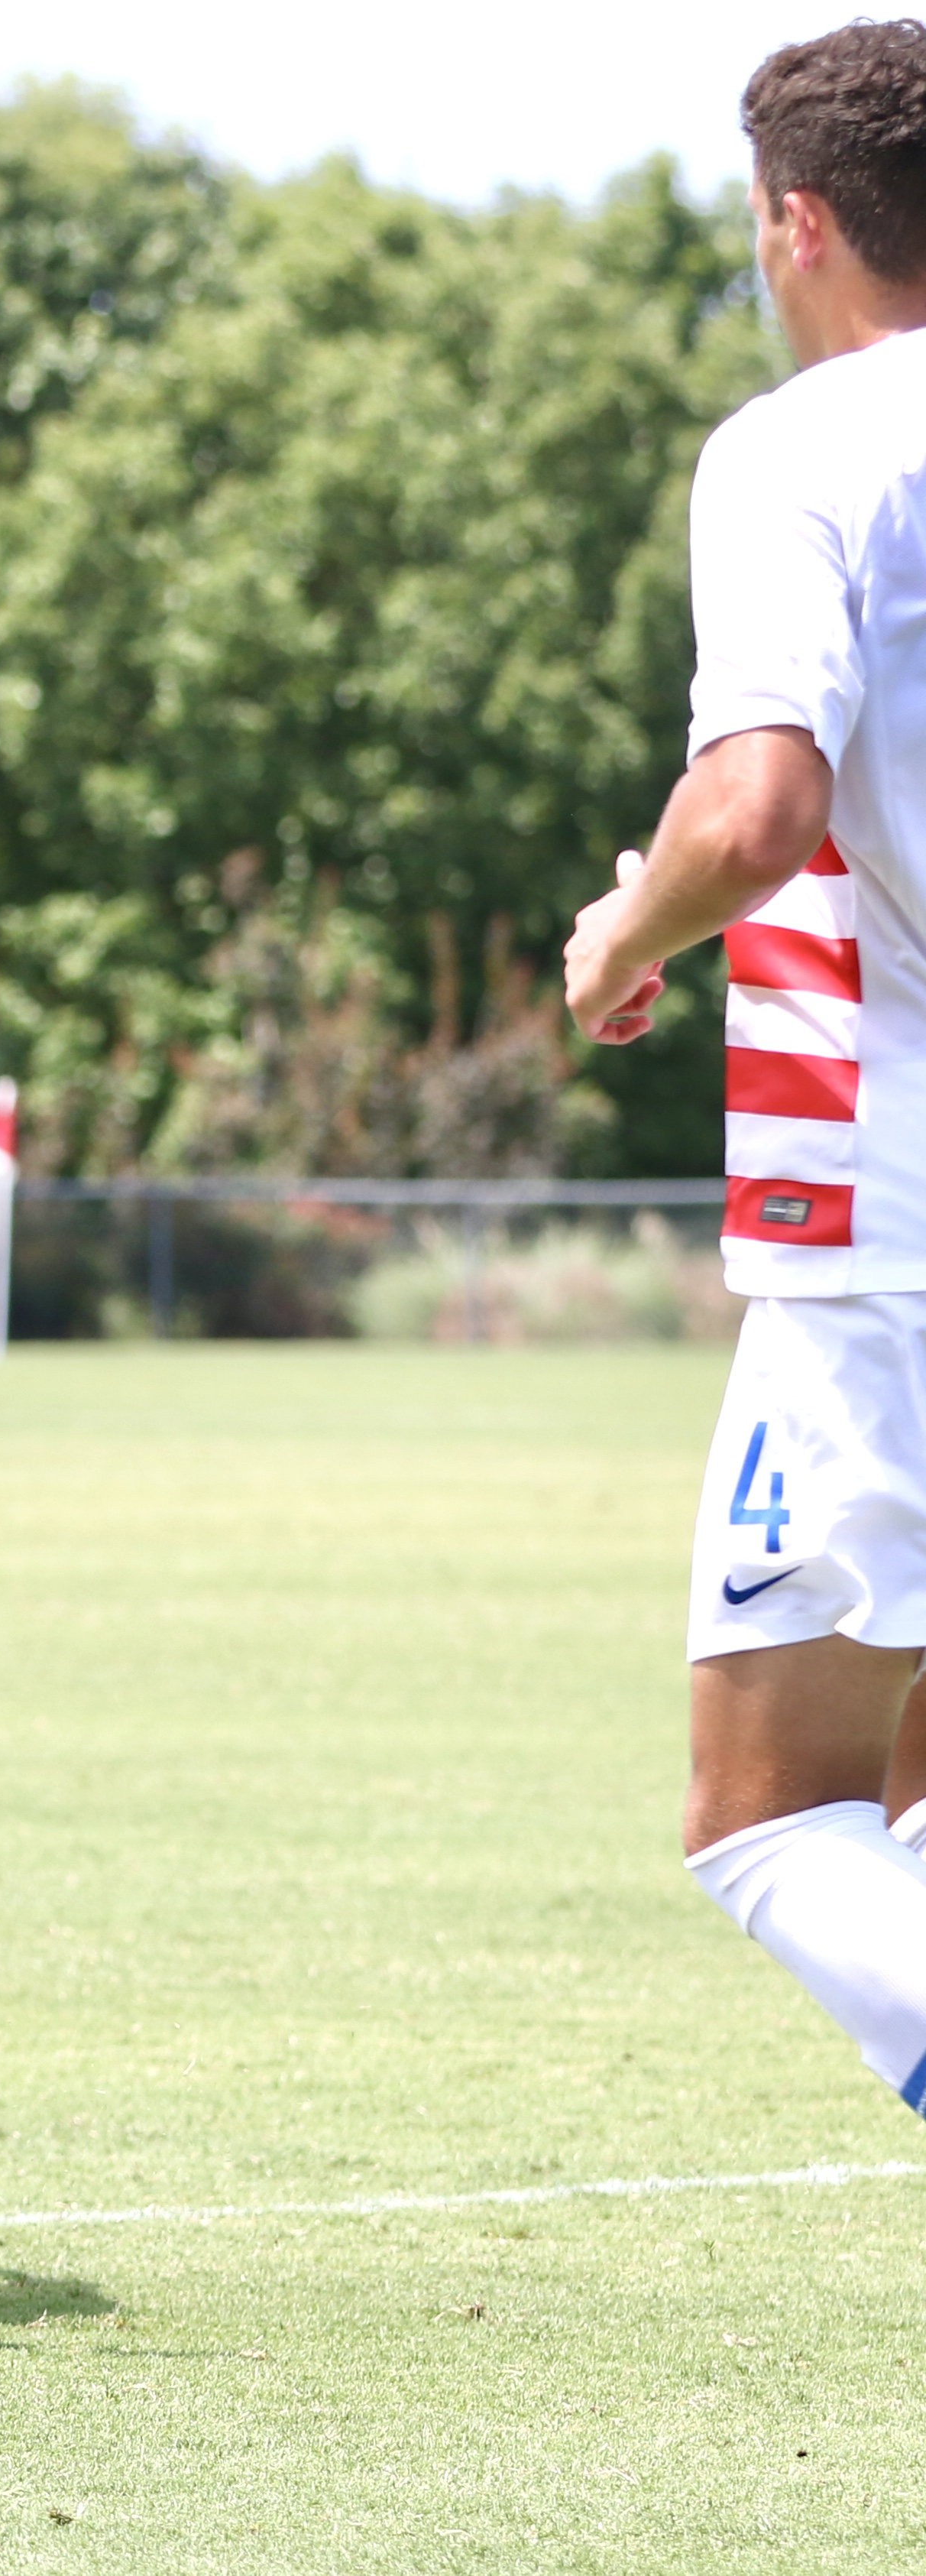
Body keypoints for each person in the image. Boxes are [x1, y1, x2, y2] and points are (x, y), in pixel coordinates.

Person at [562, 21, 926, 2121]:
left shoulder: (804, 444)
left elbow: (764, 802)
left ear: (799, 223)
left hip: (896, 1247)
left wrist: (630, 926)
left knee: (771, 1814)